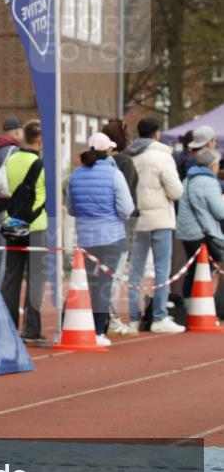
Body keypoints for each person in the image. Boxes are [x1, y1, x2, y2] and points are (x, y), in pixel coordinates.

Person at [66, 132, 135, 345]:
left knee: (82, 282)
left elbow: (71, 208)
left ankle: (69, 325)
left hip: (85, 236)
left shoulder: (76, 174)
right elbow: (127, 209)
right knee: (104, 285)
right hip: (111, 236)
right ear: (109, 151)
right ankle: (97, 332)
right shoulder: (115, 174)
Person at [126, 117, 184, 334]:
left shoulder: (130, 157)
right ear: (156, 133)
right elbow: (176, 191)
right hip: (160, 218)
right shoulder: (162, 157)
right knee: (161, 268)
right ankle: (159, 316)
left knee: (135, 270)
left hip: (137, 218)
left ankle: (133, 317)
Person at [0, 119, 48, 346]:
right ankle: (31, 329)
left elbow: (2, 188)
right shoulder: (41, 164)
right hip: (36, 225)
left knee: (11, 275)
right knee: (35, 278)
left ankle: (8, 327)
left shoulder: (11, 160)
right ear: (40, 141)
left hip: (14, 224)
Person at [100, 119, 138, 335]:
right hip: (119, 226)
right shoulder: (125, 164)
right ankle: (111, 319)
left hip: (94, 225)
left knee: (97, 274)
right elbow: (127, 201)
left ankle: (101, 318)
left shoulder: (92, 162)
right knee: (113, 275)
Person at [177, 148, 224, 297]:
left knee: (193, 270)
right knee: (204, 271)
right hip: (202, 233)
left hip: (186, 231)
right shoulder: (208, 181)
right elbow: (219, 211)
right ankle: (202, 305)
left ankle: (187, 304)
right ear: (212, 165)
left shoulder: (188, 179)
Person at [0, 117, 25, 284]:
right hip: (6, 207)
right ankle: (0, 291)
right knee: (6, 251)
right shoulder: (14, 151)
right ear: (18, 131)